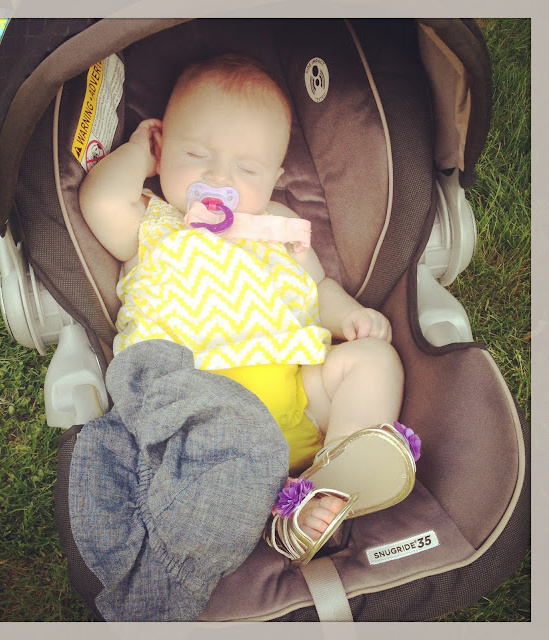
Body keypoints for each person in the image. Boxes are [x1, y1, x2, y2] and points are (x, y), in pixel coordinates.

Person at [79, 53, 417, 559]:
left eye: (247, 168)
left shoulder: (277, 227)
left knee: (374, 362)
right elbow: (101, 201)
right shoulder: (153, 222)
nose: (219, 176)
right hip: (197, 410)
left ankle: (327, 482)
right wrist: (135, 153)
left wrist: (349, 314)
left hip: (294, 396)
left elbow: (316, 288)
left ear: (275, 177)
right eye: (196, 154)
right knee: (189, 484)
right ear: (162, 149)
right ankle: (251, 513)